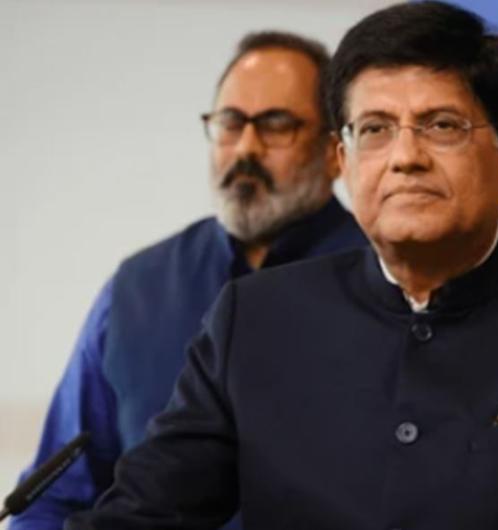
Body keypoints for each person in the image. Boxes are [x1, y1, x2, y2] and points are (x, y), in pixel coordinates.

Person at [65, 3, 498, 529]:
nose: (405, 157)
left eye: (441, 125)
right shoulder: (253, 319)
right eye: (375, 129)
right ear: (342, 162)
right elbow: (146, 512)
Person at [11, 31, 365, 530]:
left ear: (334, 150)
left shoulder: (386, 280)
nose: (246, 148)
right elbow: (54, 495)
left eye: (276, 126)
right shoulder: (137, 289)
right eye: (230, 123)